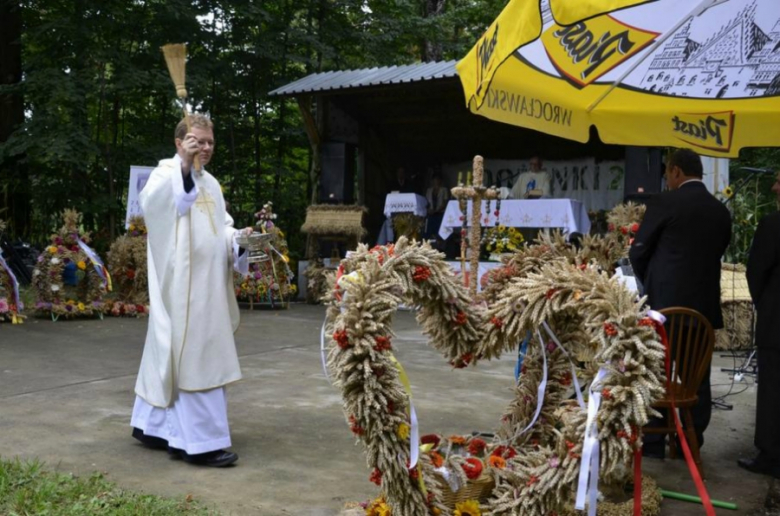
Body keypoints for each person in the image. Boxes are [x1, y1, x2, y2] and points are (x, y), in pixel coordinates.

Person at [130, 114, 251, 468]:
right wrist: (184, 166)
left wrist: (238, 240)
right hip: (182, 287)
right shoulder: (165, 174)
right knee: (197, 356)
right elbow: (160, 208)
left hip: (210, 286)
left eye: (210, 142)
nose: (206, 147)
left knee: (177, 354)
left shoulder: (211, 183)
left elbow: (220, 228)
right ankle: (201, 442)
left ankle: (153, 427)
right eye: (197, 141)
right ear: (179, 142)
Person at [629, 148, 731, 457]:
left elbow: (638, 251)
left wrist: (651, 283)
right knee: (696, 382)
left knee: (654, 375)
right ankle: (690, 441)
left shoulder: (665, 202)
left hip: (663, 311)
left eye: (667, 174)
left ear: (675, 171)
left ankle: (654, 442)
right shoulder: (720, 210)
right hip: (702, 311)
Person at [740, 171, 780, 479]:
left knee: (772, 391)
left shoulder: (773, 225)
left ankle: (770, 455)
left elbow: (755, 272)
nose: (775, 186)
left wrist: (765, 304)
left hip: (776, 322)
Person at [424, 174, 448, 241]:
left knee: (439, 232)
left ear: (440, 181)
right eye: (435, 179)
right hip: (431, 214)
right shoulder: (429, 190)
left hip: (440, 214)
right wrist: (428, 209)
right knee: (429, 232)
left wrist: (436, 210)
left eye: (438, 179)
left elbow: (445, 202)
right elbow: (426, 202)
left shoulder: (444, 190)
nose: (436, 181)